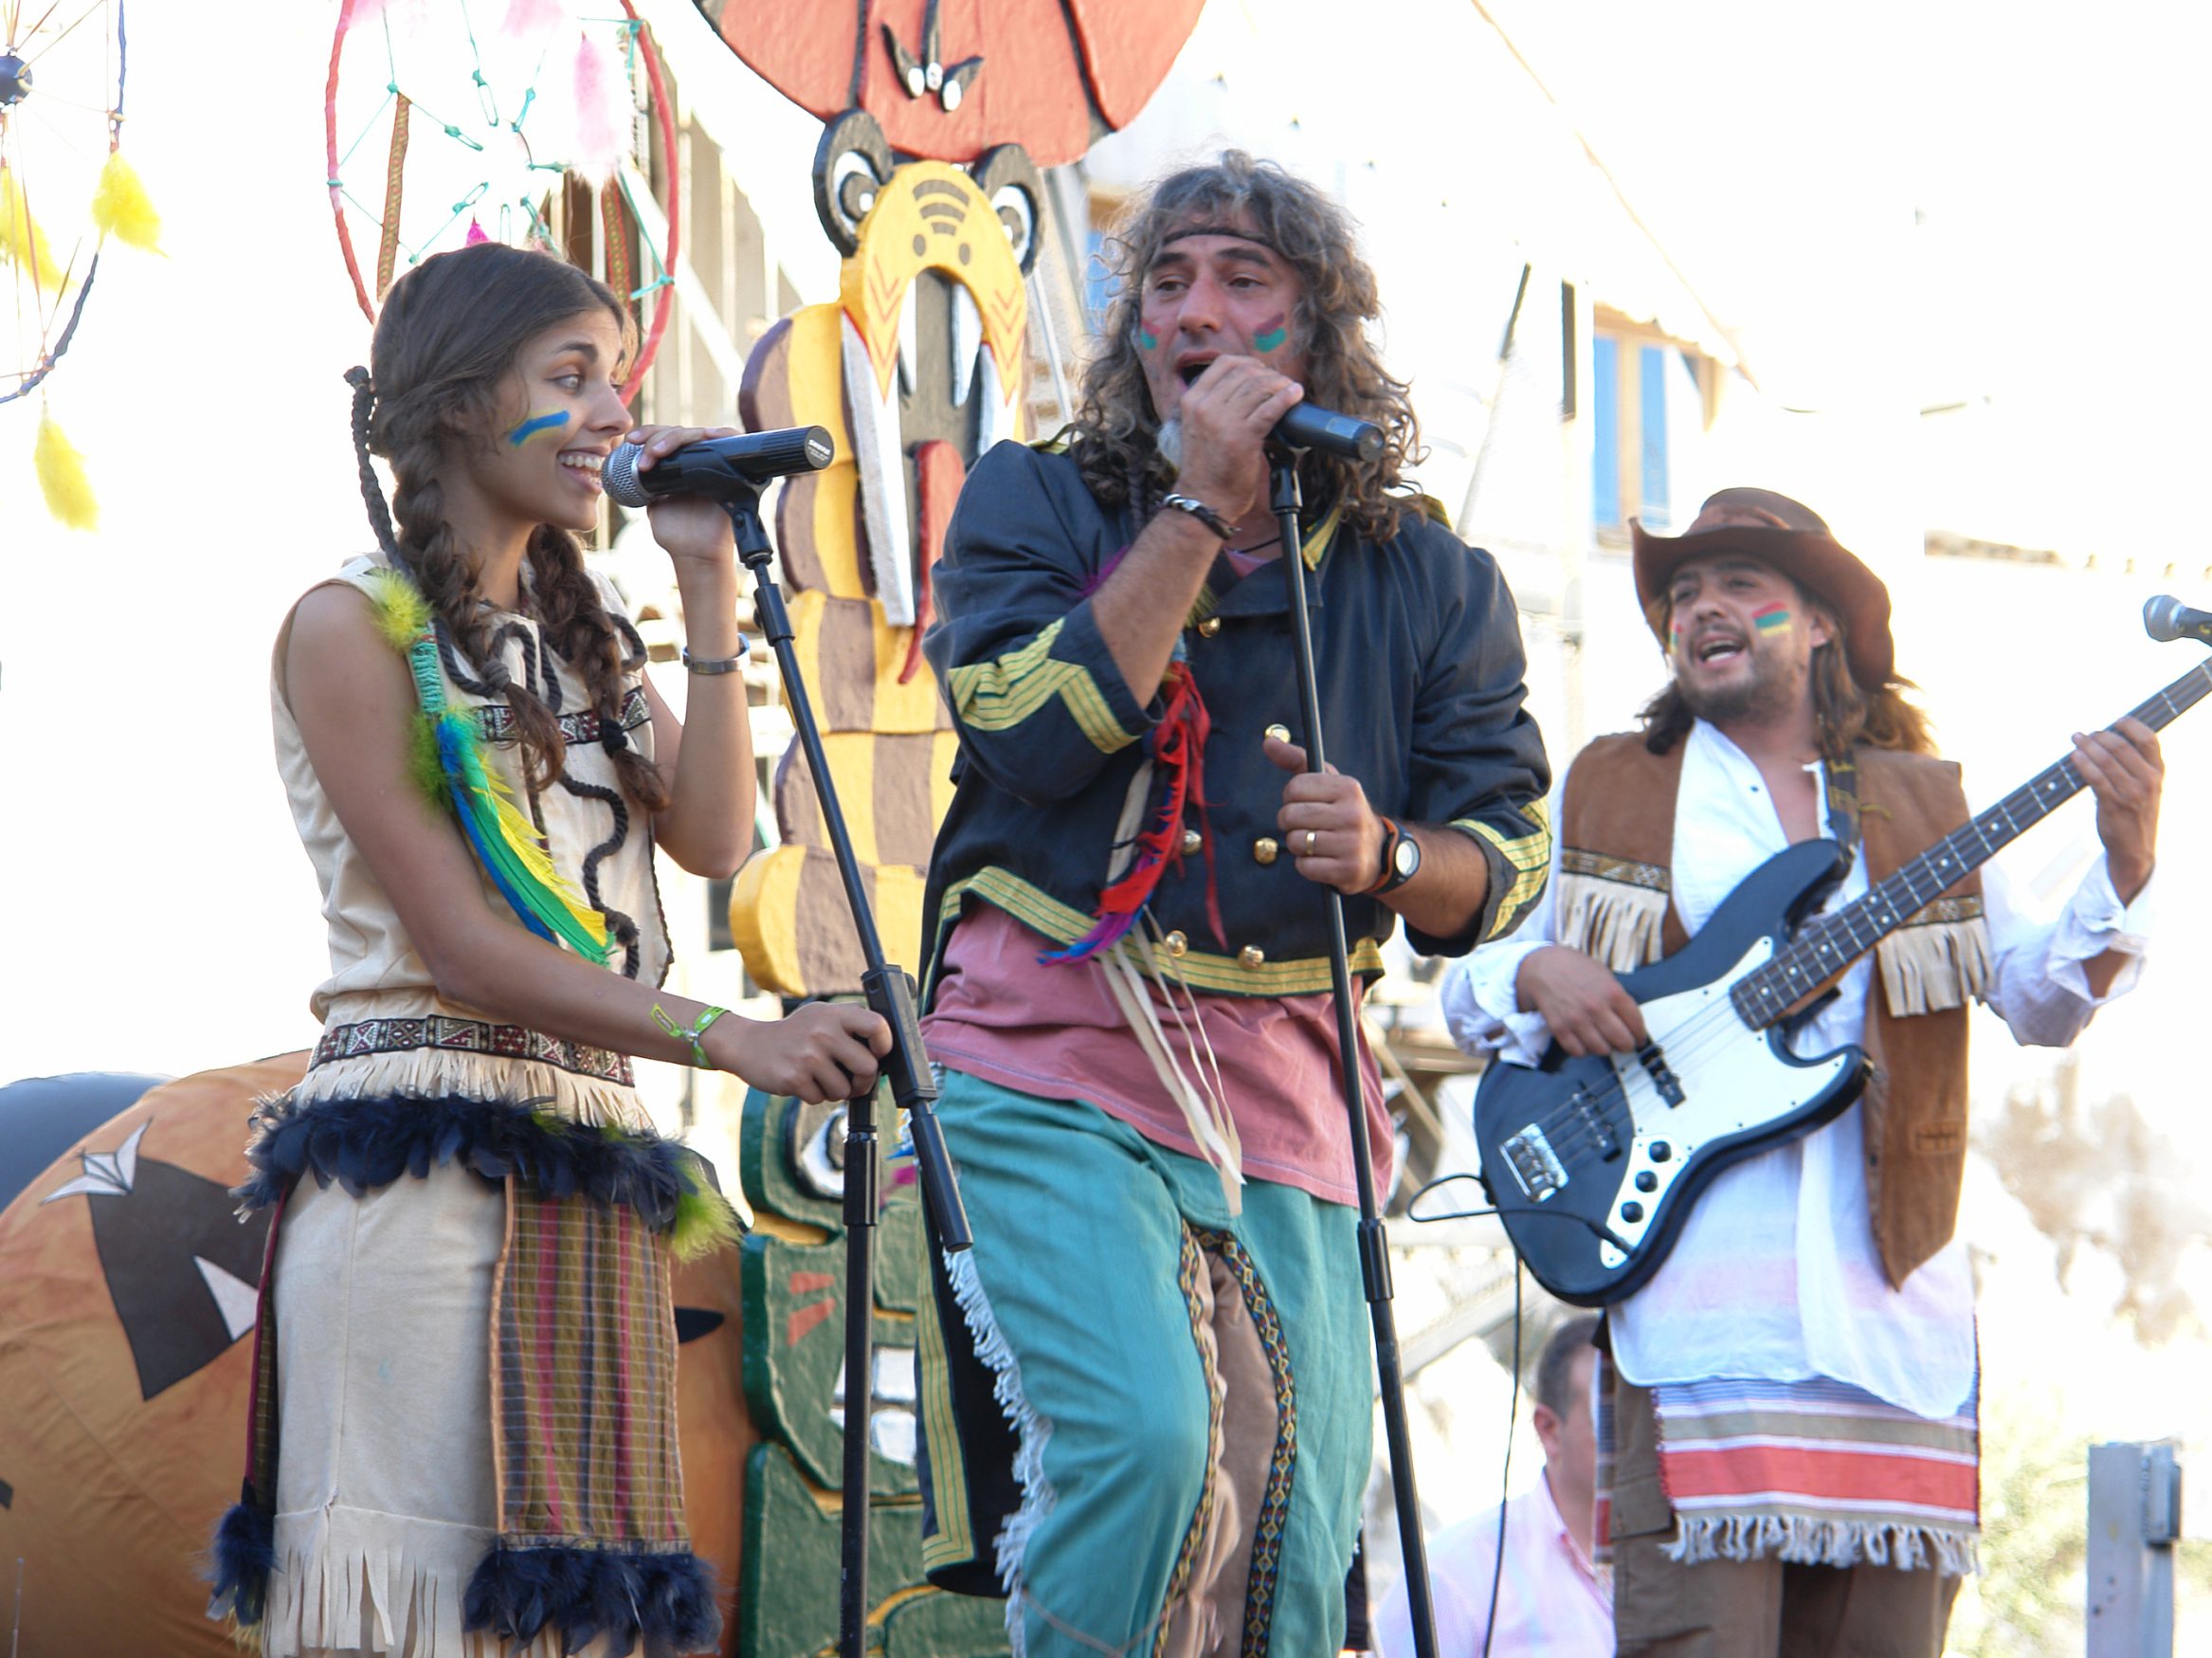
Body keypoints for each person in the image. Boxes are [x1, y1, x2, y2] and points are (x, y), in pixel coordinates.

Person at [908, 151, 1551, 1656]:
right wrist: (1199, 505)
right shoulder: (1035, 500)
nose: (1196, 308)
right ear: (1138, 332)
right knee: (1144, 1441)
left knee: (1298, 1519)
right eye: (1168, 280)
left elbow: (1509, 849)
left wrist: (1389, 856)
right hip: (1055, 1044)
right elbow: (1026, 730)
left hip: (1291, 1079)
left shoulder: (1432, 578)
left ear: (1314, 331)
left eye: (1242, 278)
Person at [209, 241, 891, 1658]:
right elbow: (462, 948)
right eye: (570, 376)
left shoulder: (585, 643)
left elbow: (714, 838)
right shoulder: (349, 625)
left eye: (616, 377)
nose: (613, 412)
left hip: (588, 1157)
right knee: (415, 1604)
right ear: (461, 403)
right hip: (420, 1163)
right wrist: (729, 1037)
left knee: (570, 1610)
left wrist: (705, 584)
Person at [1441, 488, 2163, 1655]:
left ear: (1821, 623)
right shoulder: (1610, 785)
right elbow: (1473, 980)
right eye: (1683, 593)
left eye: (1741, 586)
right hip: (1698, 1342)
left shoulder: (1921, 805)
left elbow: (2040, 1001)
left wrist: (2124, 864)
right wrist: (1534, 972)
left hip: (1894, 1345)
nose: (1701, 609)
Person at [1374, 1315, 1615, 1656]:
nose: (1640, 1437)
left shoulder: (1676, 1550)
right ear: (1549, 1429)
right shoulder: (1458, 1574)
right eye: (1612, 1419)